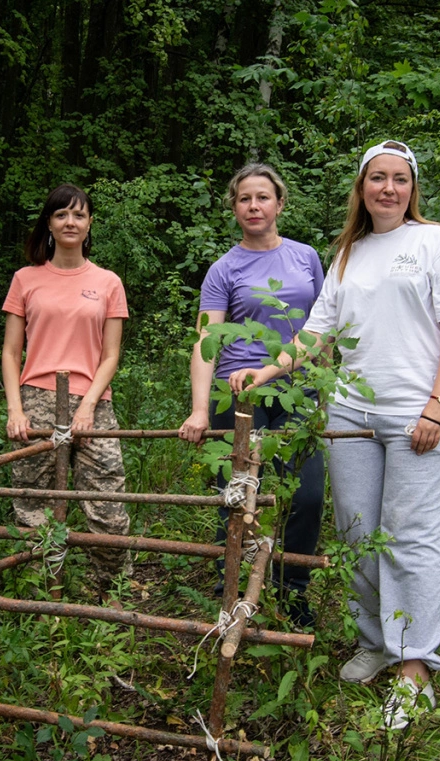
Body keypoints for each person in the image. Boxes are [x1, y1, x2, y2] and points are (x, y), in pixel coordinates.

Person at [229, 141, 440, 727]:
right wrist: (265, 371)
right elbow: (317, 334)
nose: (388, 189)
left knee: (411, 536)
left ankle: (414, 666)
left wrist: (437, 406)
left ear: (413, 187)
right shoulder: (348, 252)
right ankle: (377, 642)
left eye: (399, 179)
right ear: (361, 188)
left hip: (418, 413)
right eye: (377, 179)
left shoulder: (434, 242)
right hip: (350, 415)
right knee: (358, 529)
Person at [178, 163, 326, 627]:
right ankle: (240, 591)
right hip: (238, 395)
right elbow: (206, 343)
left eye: (263, 197)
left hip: (297, 388)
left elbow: (323, 327)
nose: (254, 206)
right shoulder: (224, 269)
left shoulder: (306, 258)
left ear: (280, 204)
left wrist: (321, 384)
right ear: (234, 207)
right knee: (240, 495)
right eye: (245, 199)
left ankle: (291, 591)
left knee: (306, 494)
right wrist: (201, 409)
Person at [2, 183, 131, 601]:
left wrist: (89, 403)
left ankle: (108, 594)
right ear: (50, 223)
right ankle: (44, 593)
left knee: (107, 504)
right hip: (36, 397)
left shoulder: (108, 282)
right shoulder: (26, 279)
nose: (70, 222)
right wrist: (15, 410)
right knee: (33, 504)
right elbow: (10, 351)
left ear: (90, 223)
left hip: (94, 401)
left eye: (79, 214)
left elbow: (111, 355)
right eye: (61, 215)